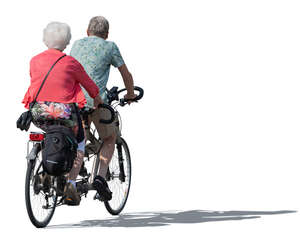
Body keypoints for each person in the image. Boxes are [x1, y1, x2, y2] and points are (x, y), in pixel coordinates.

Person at [22, 22, 103, 205]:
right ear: (66, 42)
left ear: (45, 40)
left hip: (38, 112)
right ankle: (71, 186)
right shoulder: (71, 63)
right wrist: (98, 101)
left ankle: (45, 173)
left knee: (50, 134)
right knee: (80, 142)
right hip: (65, 113)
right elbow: (91, 88)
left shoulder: (34, 60)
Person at [70, 16, 136, 200]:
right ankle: (99, 177)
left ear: (87, 31)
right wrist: (130, 94)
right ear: (106, 34)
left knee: (79, 140)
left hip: (74, 102)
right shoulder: (110, 47)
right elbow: (126, 74)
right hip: (95, 101)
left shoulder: (76, 44)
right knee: (110, 137)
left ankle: (73, 176)